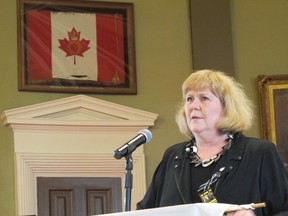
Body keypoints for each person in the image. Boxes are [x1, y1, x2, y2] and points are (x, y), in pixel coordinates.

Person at [136, 70, 288, 216]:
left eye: (204, 98)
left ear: (227, 108)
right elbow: (144, 211)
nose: (193, 106)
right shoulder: (173, 156)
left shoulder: (259, 153)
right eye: (189, 98)